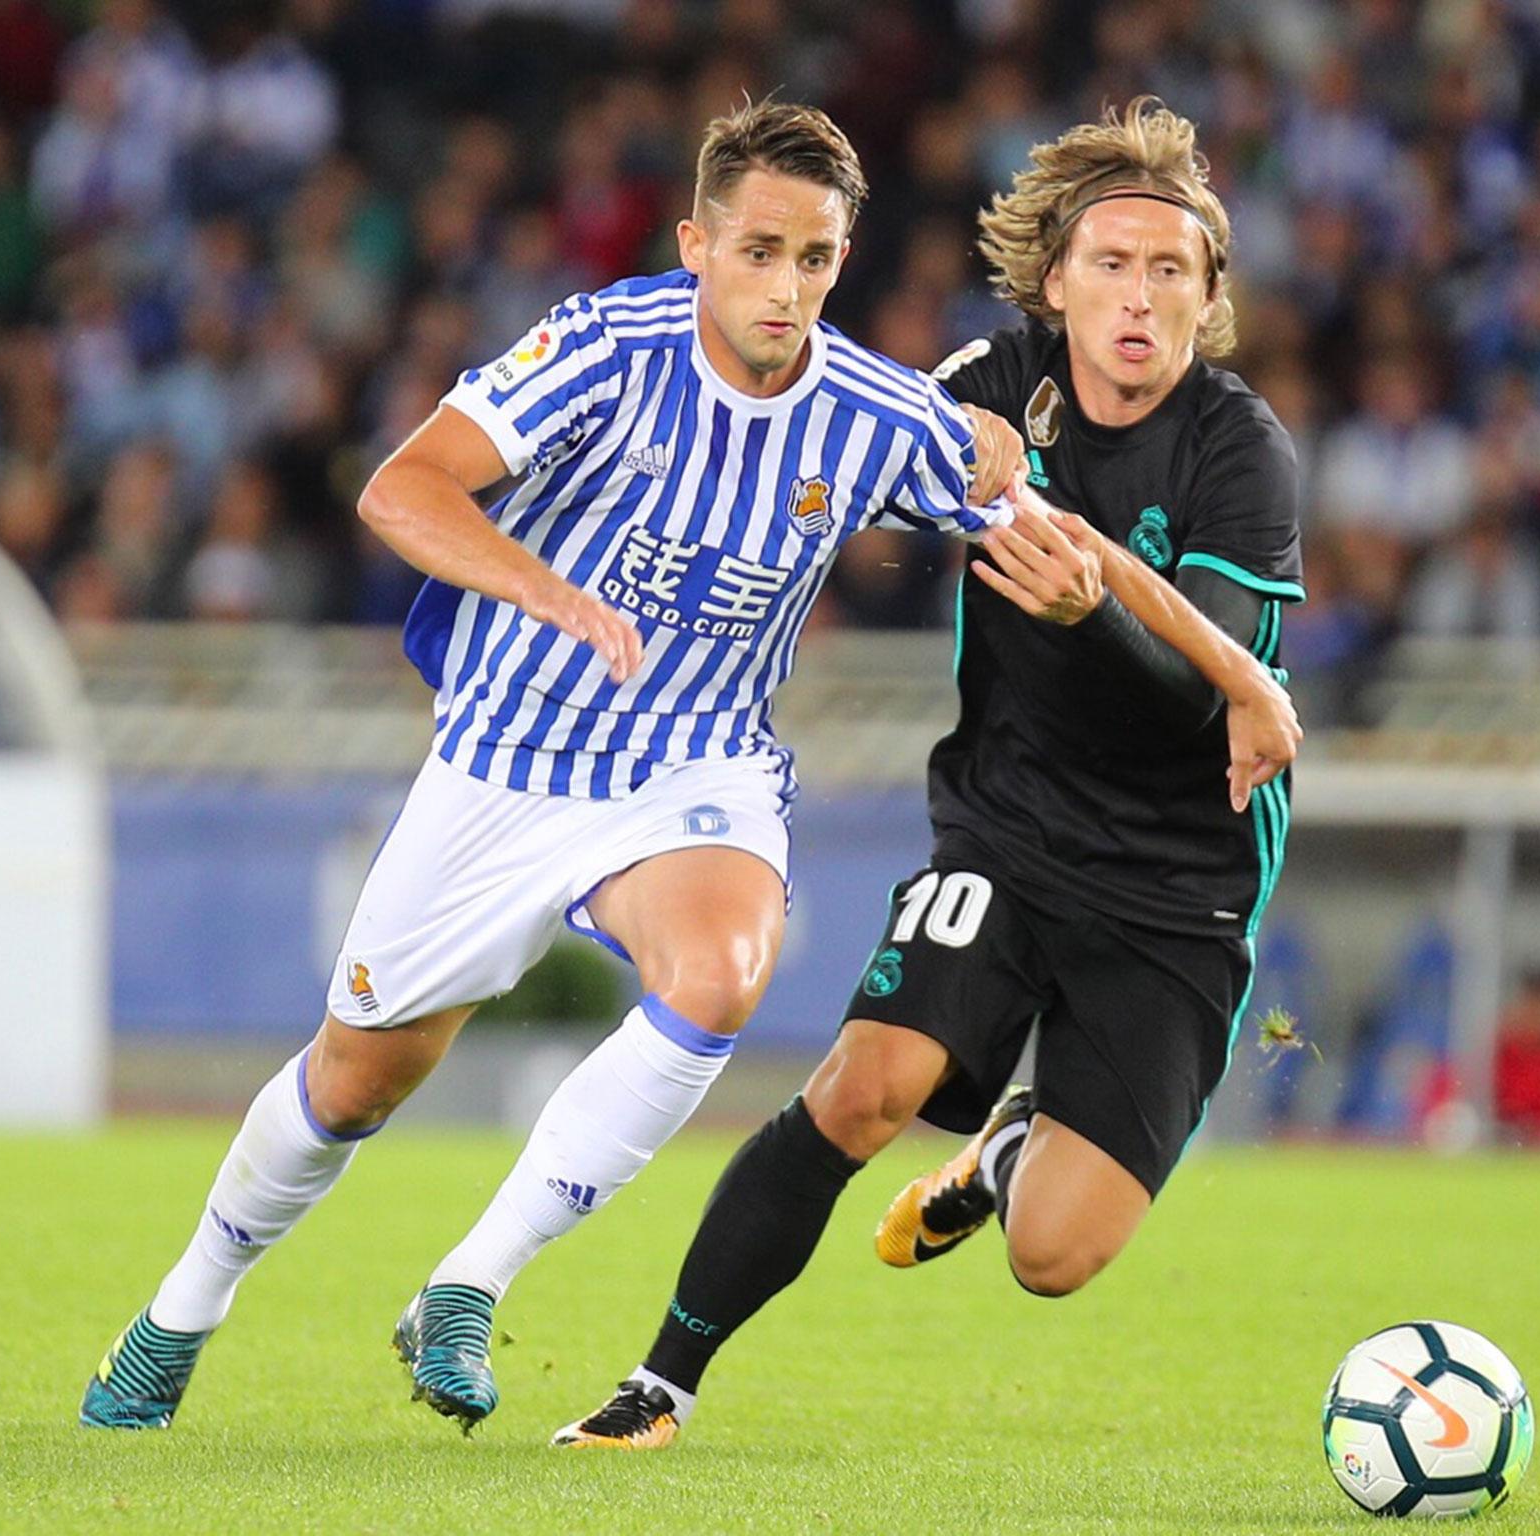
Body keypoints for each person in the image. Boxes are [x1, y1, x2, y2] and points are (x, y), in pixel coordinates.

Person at [78, 99, 1295, 1435]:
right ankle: (185, 1305)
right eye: (760, 252)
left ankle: (472, 1286)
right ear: (697, 245)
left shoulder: (877, 412)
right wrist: (550, 596)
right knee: (353, 1082)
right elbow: (402, 490)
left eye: (818, 259)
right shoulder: (604, 347)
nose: (787, 288)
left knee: (719, 975)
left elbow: (1081, 544)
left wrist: (1244, 679)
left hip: (695, 770)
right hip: (509, 757)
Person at [554, 97, 1307, 1450]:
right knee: (863, 1087)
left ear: (1210, 299)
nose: (1140, 301)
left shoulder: (1240, 453)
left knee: (1054, 1256)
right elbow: (819, 447)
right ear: (1058, 281)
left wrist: (1103, 618)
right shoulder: (987, 383)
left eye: (1171, 274)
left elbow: (1199, 703)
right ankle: (657, 1388)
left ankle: (1015, 1149)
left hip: (1179, 880)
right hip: (1007, 837)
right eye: (1114, 267)